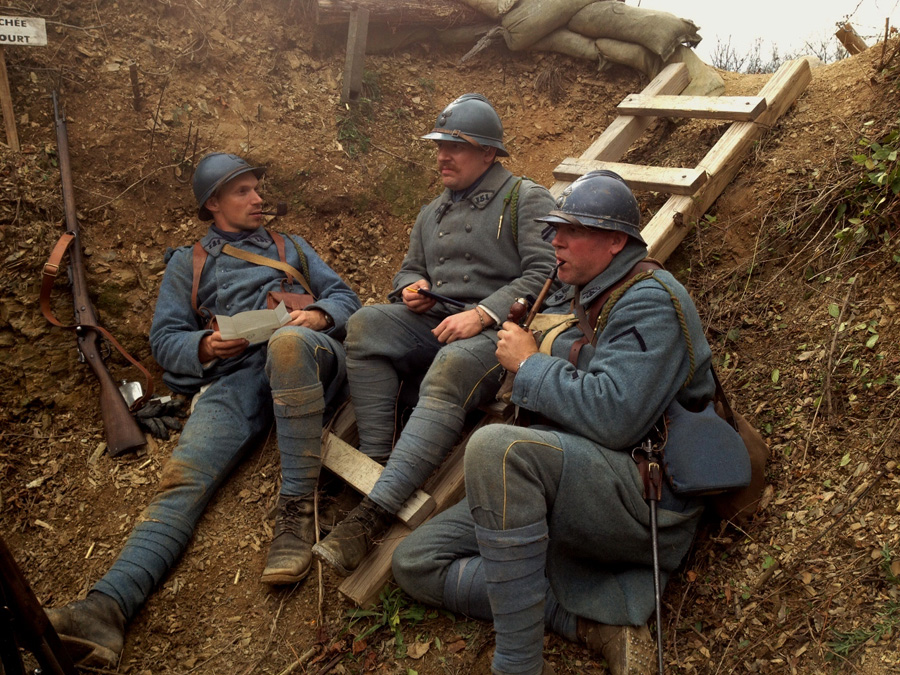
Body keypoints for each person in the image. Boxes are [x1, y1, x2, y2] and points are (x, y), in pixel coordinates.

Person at [392, 170, 731, 675]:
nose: (557, 241)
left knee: (497, 449)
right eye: (554, 228)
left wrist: (530, 364)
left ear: (616, 241)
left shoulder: (651, 299)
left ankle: (518, 663)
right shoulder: (597, 289)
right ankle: (586, 622)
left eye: (573, 230)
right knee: (415, 561)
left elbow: (616, 418)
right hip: (587, 471)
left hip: (645, 494)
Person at [46, 152, 361, 667]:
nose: (258, 198)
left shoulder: (292, 247)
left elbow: (346, 297)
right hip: (234, 380)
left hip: (308, 358)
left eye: (257, 188)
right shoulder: (188, 262)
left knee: (286, 346)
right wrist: (206, 347)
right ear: (213, 203)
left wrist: (318, 315)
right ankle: (106, 609)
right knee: (183, 479)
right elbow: (165, 340)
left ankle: (295, 517)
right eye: (243, 191)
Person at [312, 93, 558, 575]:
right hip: (436, 323)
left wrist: (484, 313)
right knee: (364, 324)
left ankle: (372, 516)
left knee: (451, 365)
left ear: (489, 153)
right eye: (440, 145)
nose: (443, 155)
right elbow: (407, 270)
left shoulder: (524, 198)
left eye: (457, 146)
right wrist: (411, 290)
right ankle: (377, 463)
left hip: (501, 333)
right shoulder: (433, 213)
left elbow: (548, 272)